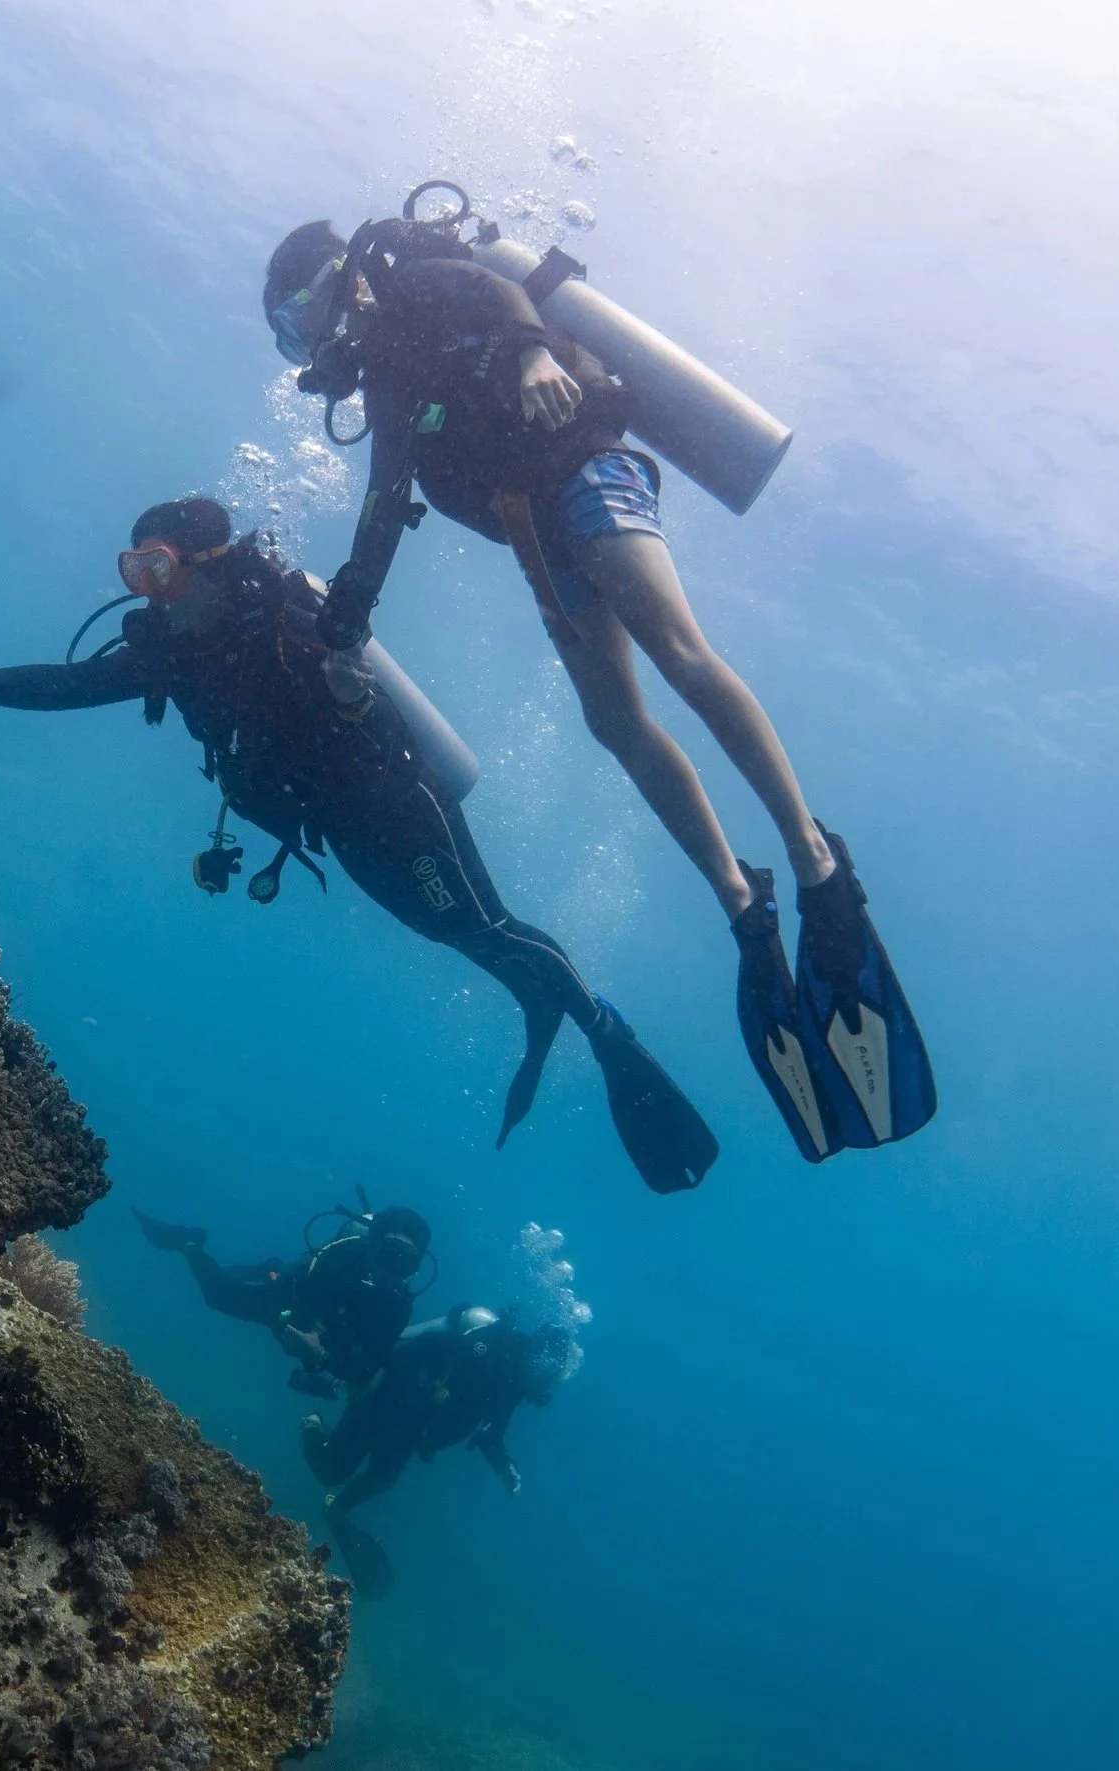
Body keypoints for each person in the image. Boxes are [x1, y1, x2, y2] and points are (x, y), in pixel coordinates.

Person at [262, 213, 934, 1164]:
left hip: (587, 472)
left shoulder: (410, 279)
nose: (310, 346)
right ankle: (742, 901)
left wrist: (536, 354)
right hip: (538, 535)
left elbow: (496, 292)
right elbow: (383, 509)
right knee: (613, 721)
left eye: (301, 319)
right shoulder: (390, 376)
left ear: (335, 285)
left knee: (675, 649)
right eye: (292, 339)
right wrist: (346, 622)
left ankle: (815, 858)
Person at [0, 496, 717, 1193]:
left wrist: (351, 701)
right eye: (137, 571)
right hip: (341, 833)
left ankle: (606, 1031)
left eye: (162, 568)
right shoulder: (168, 649)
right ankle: (539, 1002)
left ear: (206, 560)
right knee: (455, 934)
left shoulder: (293, 620)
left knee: (488, 927)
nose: (149, 591)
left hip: (398, 806)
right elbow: (75, 684)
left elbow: (378, 723)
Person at [314, 1305, 576, 1596]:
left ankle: (336, 1509)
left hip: (413, 1431)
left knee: (381, 1479)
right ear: (537, 1357)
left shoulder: (512, 1383)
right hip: (386, 1401)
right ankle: (312, 1424)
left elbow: (492, 1432)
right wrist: (382, 1382)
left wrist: (504, 1465)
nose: (539, 1389)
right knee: (330, 1471)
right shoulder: (489, 1345)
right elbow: (412, 1350)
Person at [130, 1199, 428, 1400]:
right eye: (390, 1254)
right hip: (292, 1299)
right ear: (374, 1246)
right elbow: (303, 1300)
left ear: (415, 1266)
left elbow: (366, 1370)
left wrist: (322, 1357)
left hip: (328, 1333)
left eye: (406, 1262)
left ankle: (261, 1268)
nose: (393, 1270)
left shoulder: (400, 1302)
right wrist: (312, 1343)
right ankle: (190, 1243)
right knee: (216, 1295)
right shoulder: (343, 1256)